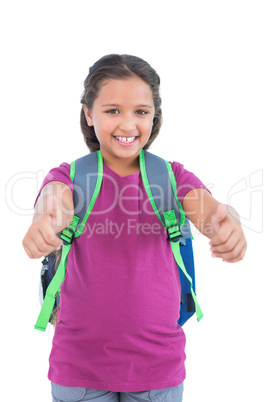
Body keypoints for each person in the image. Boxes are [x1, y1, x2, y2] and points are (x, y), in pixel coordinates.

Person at [22, 54, 247, 402]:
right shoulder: (69, 175)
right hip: (79, 370)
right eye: (113, 110)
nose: (128, 125)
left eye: (140, 112)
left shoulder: (171, 177)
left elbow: (208, 208)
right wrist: (45, 220)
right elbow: (54, 201)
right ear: (88, 114)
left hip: (158, 371)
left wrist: (226, 222)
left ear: (154, 116)